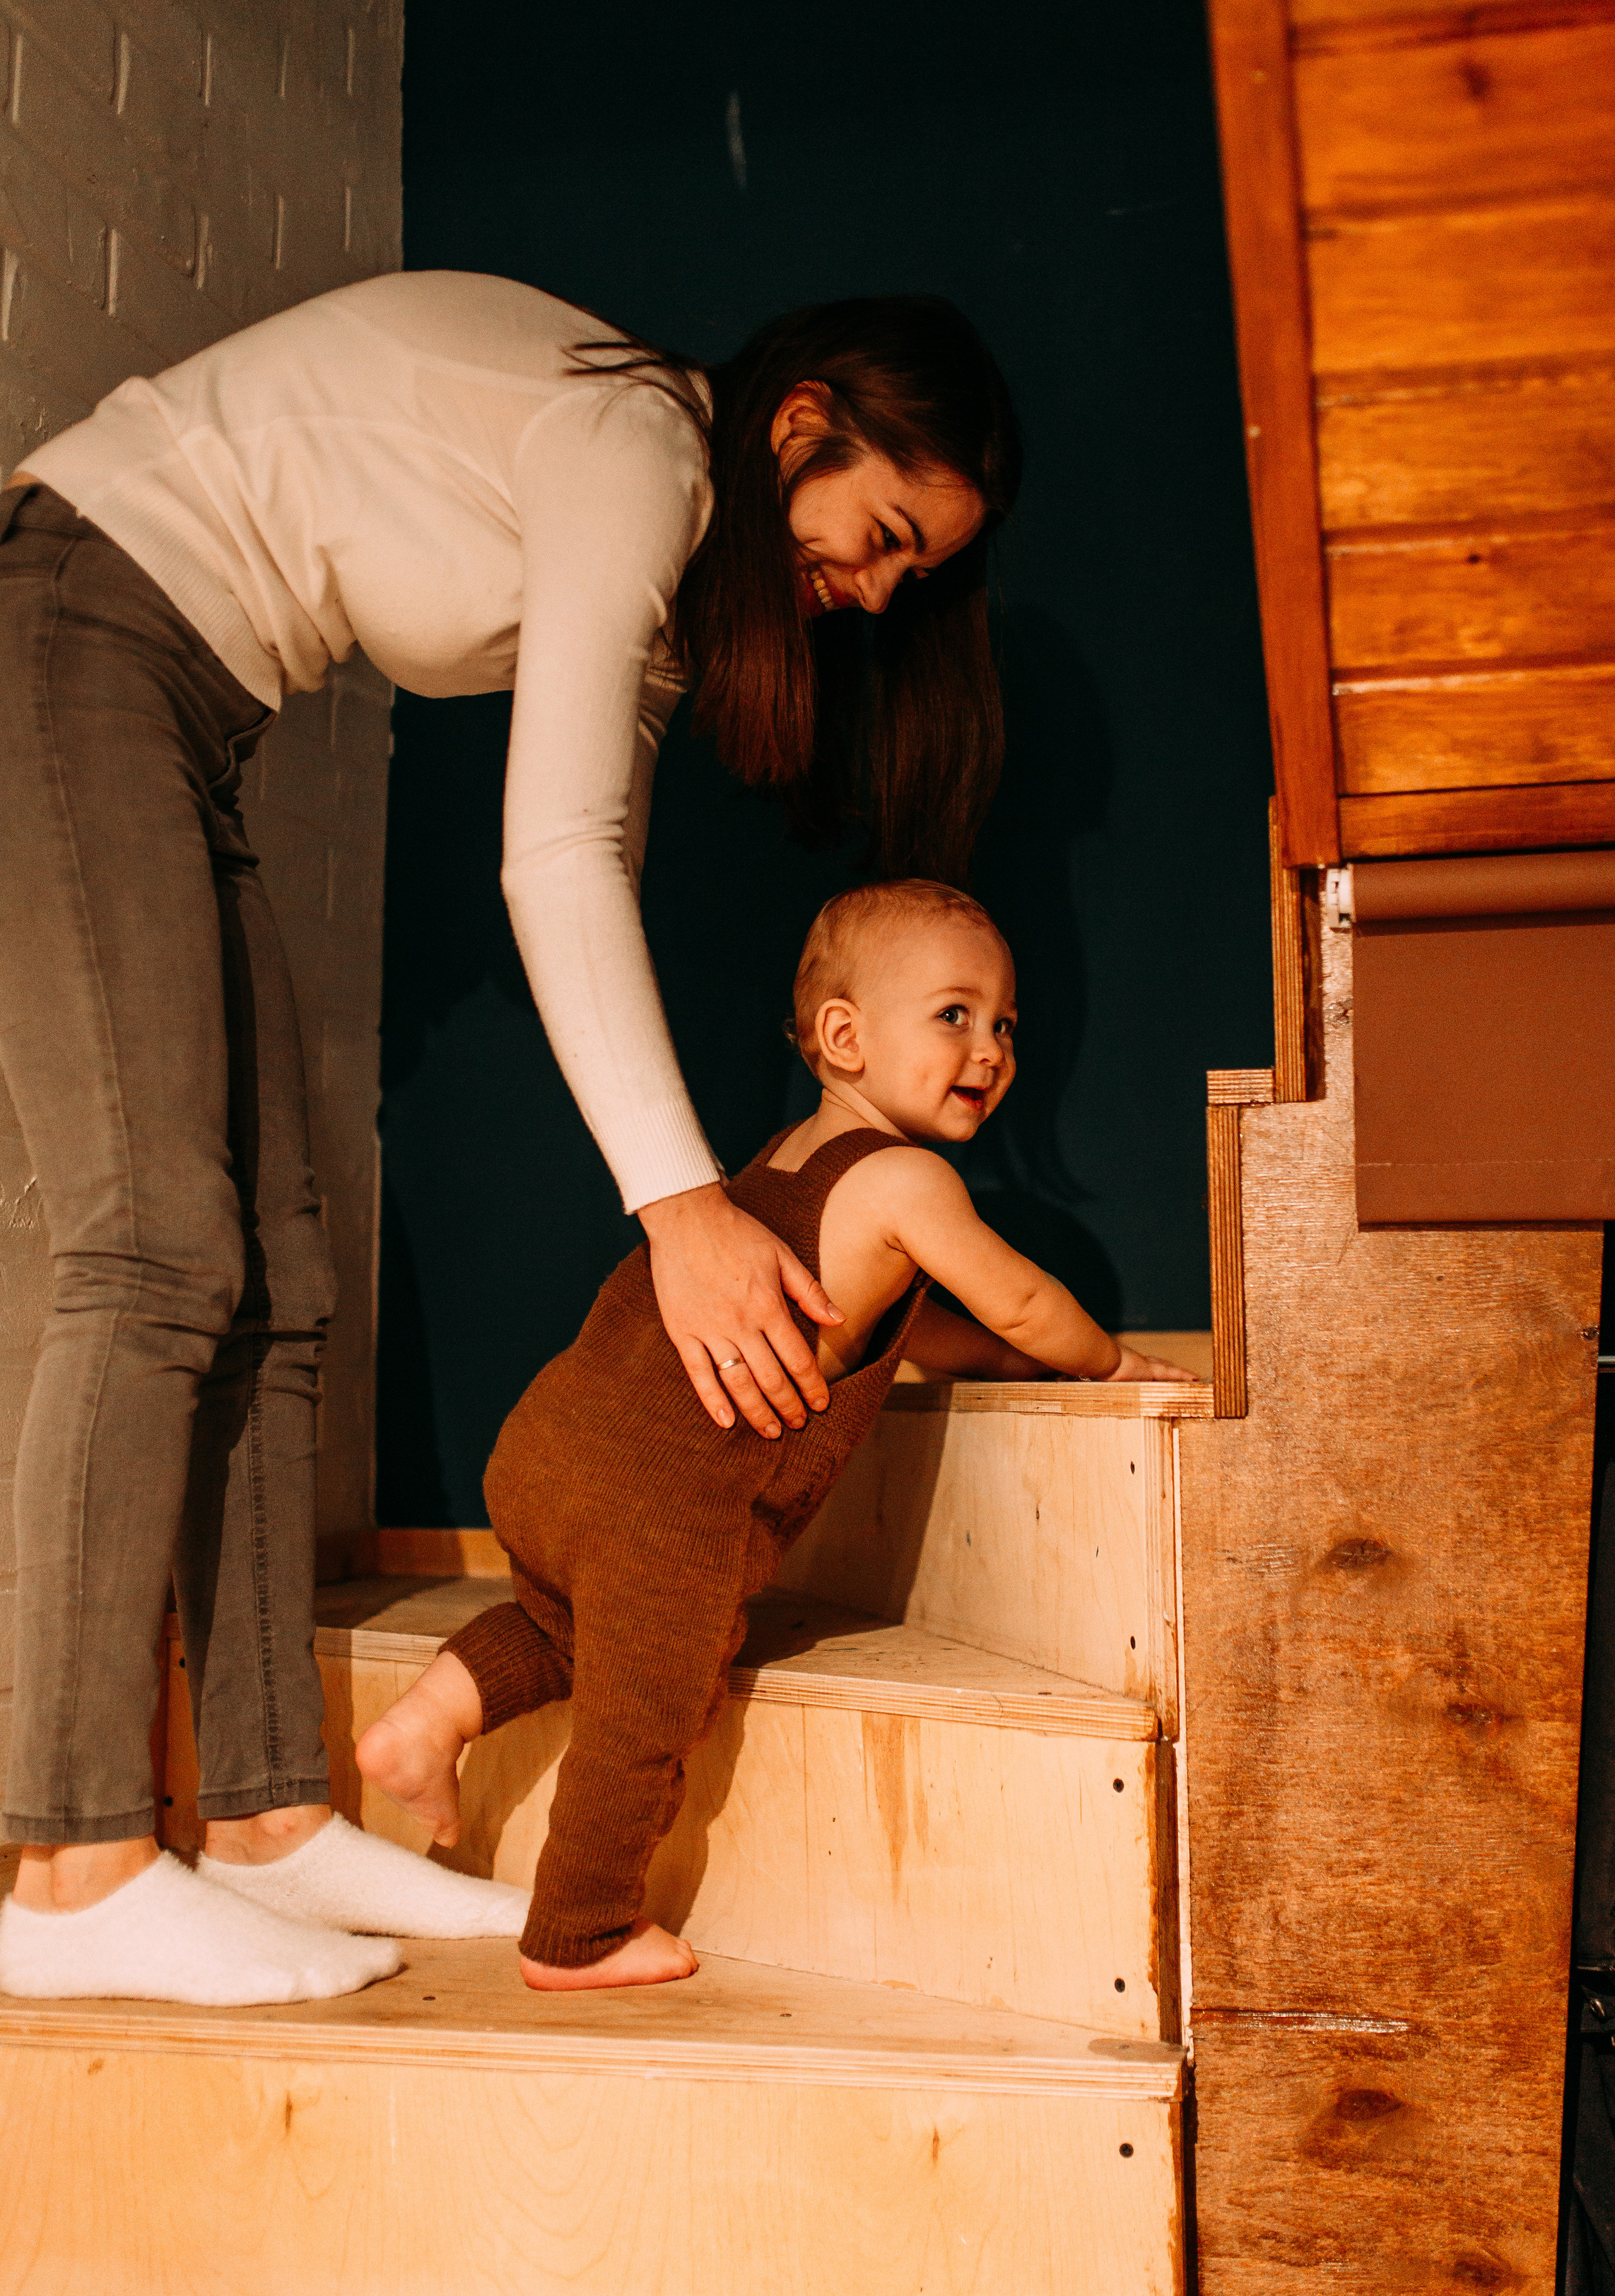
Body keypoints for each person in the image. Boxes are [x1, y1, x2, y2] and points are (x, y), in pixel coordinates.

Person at [0, 276, 1021, 2005]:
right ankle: (70, 1866)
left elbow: (589, 871)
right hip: (76, 621)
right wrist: (685, 1210)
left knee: (283, 1277)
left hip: (191, 710)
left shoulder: (678, 594)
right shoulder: (640, 443)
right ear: (805, 426)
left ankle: (261, 1818)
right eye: (885, 529)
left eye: (913, 572)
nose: (878, 586)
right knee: (158, 1246)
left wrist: (688, 1197)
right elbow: (544, 855)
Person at [356, 880, 1196, 1991]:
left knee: (565, 1629)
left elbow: (915, 1325)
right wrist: (1111, 1361)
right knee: (644, 1707)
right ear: (845, 1037)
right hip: (660, 1502)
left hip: (550, 1447)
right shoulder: (911, 1178)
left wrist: (1002, 1361)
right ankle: (582, 1928)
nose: (989, 1049)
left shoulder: (784, 1160)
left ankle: (422, 1725)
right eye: (954, 1014)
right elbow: (1022, 1304)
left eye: (1005, 1026)